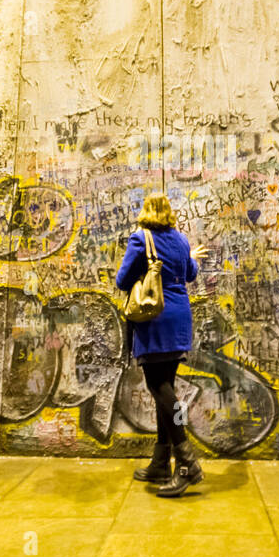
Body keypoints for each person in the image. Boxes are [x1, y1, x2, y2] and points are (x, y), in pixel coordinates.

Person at [115, 192, 208, 497]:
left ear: (146, 211)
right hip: (180, 316)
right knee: (165, 388)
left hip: (155, 318)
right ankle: (160, 459)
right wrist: (189, 257)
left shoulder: (141, 239)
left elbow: (122, 280)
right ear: (168, 212)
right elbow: (190, 274)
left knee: (162, 392)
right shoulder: (181, 241)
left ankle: (186, 463)